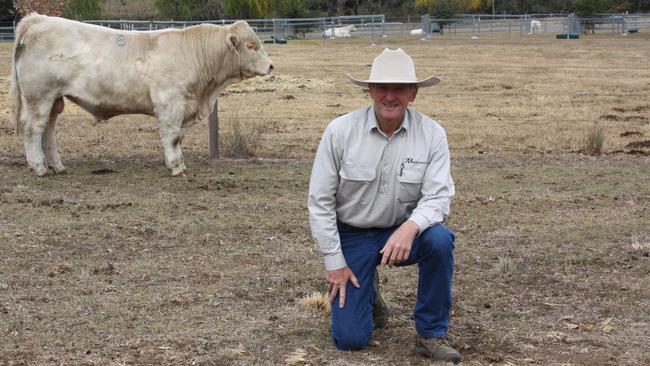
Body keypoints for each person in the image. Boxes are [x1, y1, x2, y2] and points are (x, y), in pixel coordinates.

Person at [308, 48, 461, 363]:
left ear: (413, 94)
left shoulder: (432, 134)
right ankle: (370, 295)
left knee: (439, 240)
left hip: (402, 233)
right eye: (382, 88)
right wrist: (335, 263)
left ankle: (430, 335)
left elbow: (438, 196)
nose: (390, 96)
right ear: (370, 91)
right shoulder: (339, 132)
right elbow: (320, 202)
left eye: (399, 89)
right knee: (350, 340)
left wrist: (410, 228)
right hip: (351, 235)